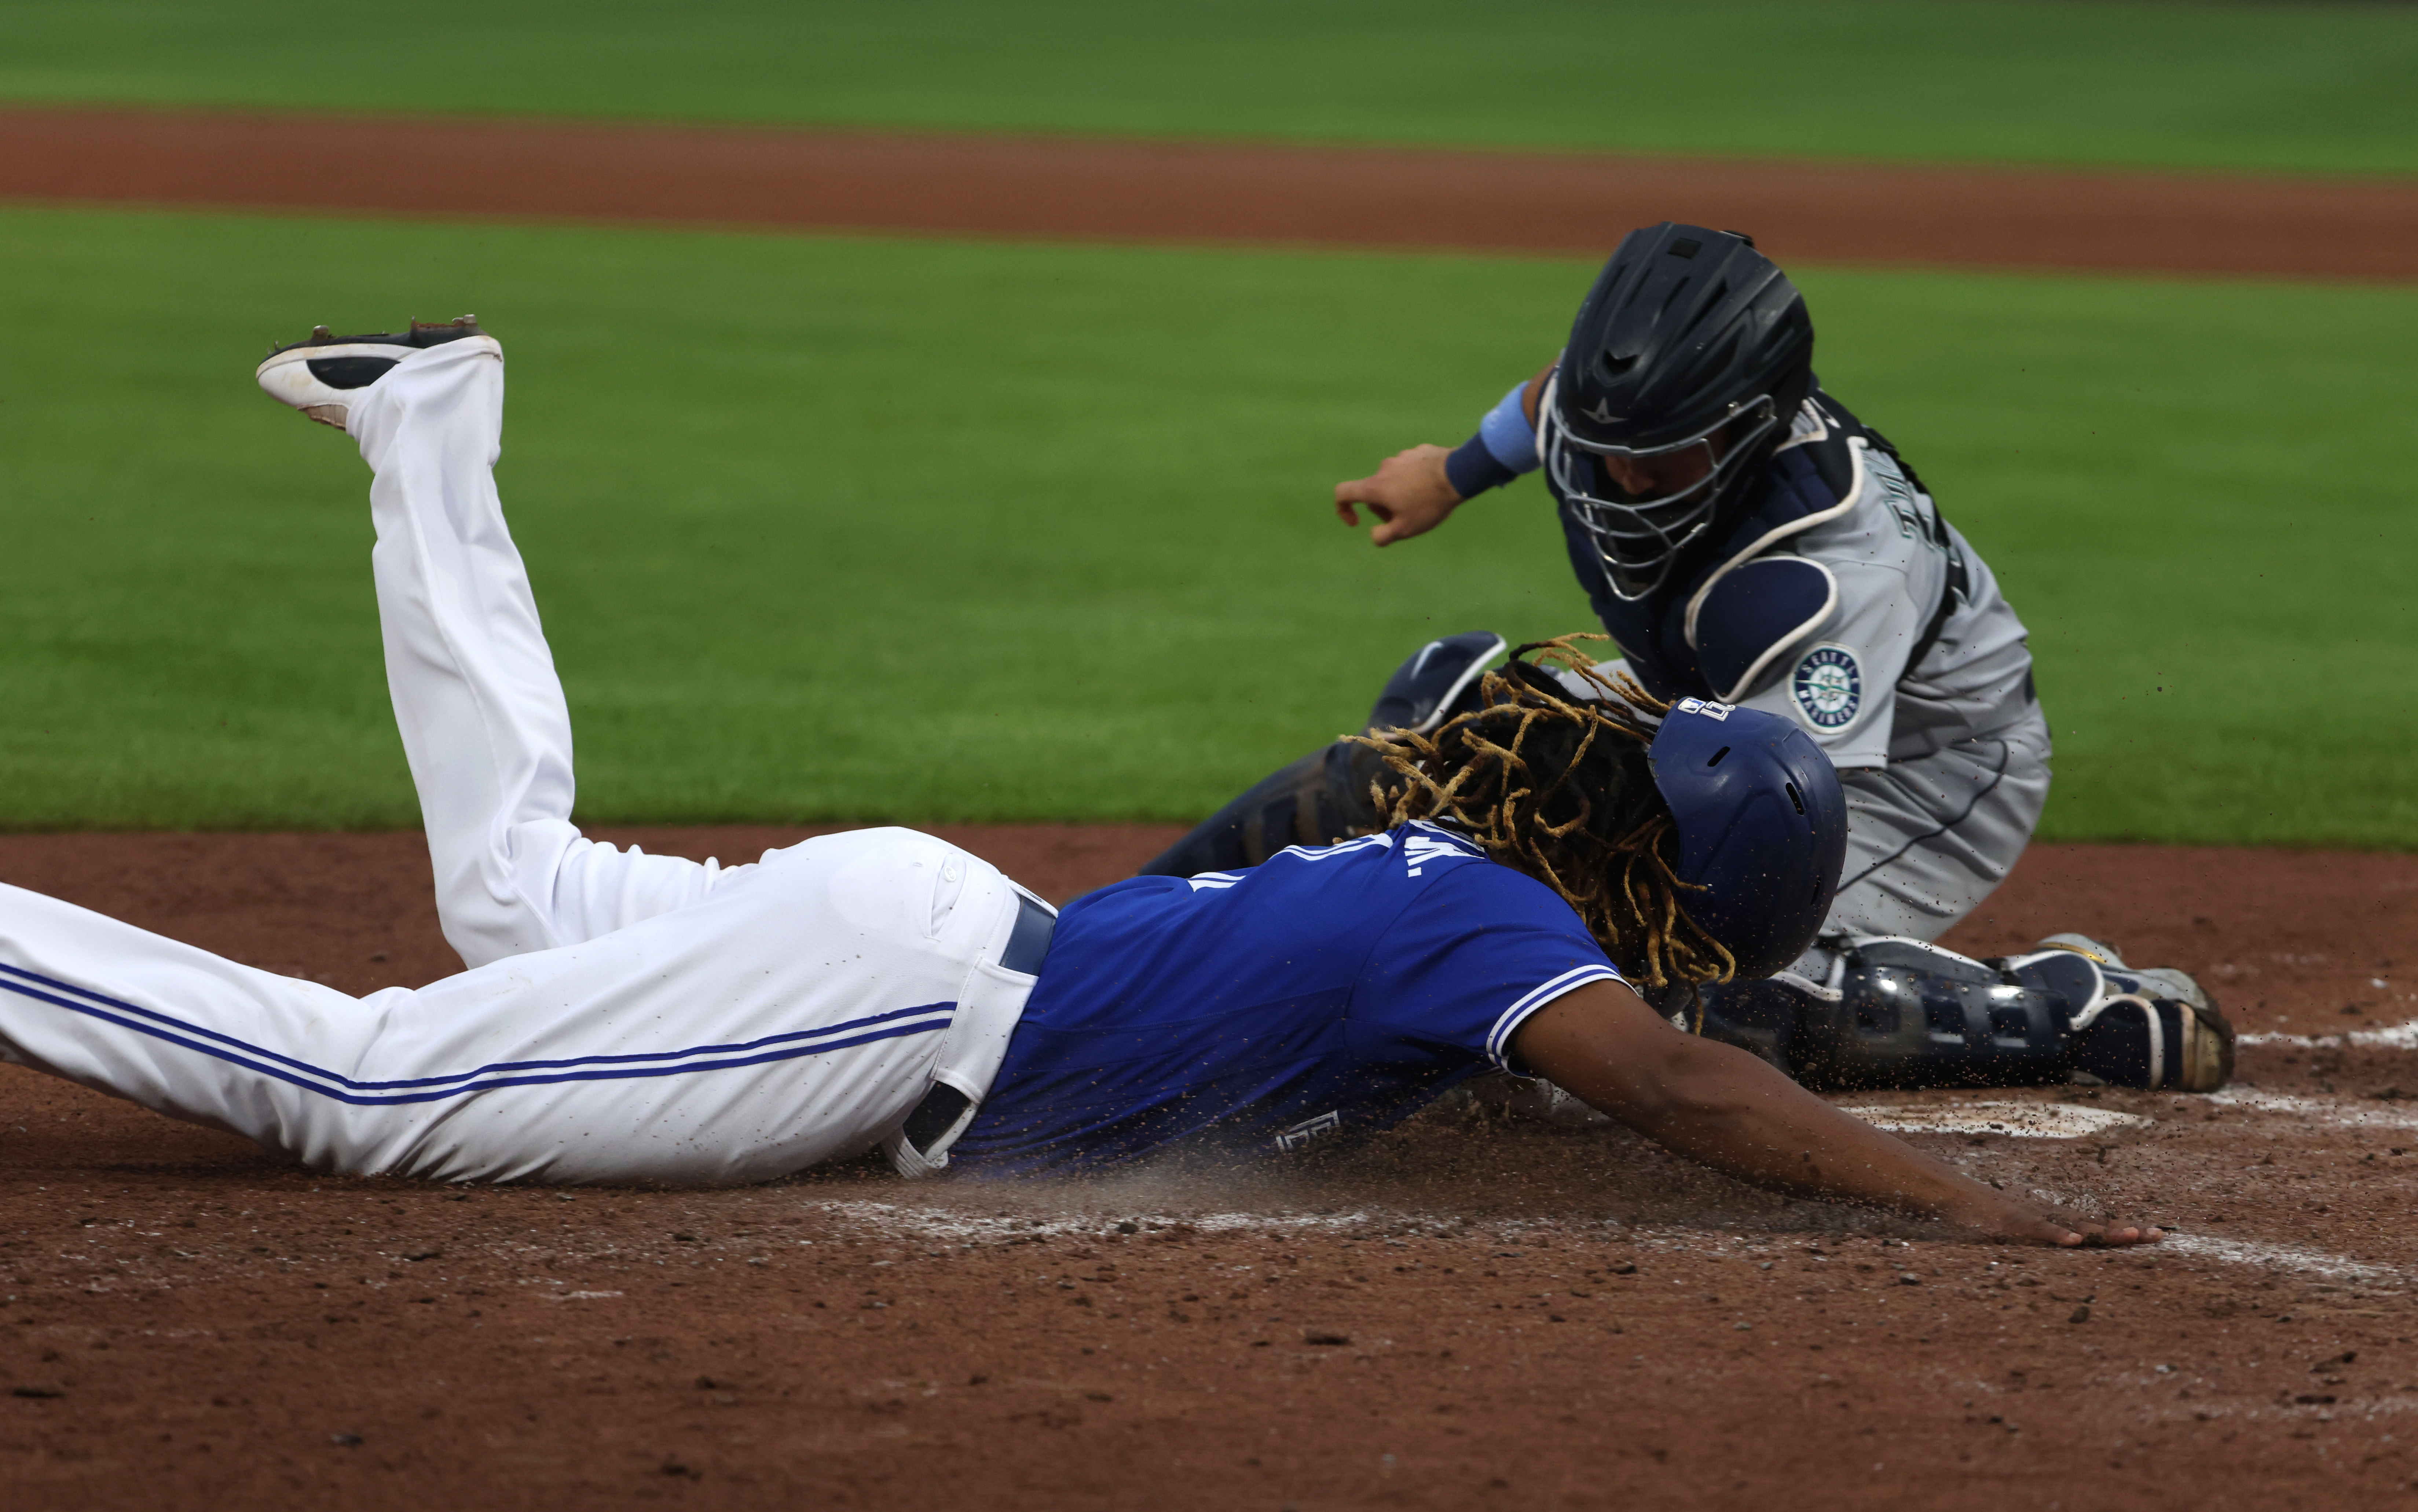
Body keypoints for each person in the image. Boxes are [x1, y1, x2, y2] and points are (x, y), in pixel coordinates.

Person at [0, 318, 2162, 1250]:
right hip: (903, 1012)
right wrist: (1975, 1211)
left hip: (929, 926)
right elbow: (1704, 1098)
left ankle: (430, 434)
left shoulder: (1477, 888)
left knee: (510, 884)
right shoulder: (1497, 936)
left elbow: (1641, 1038)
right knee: (364, 1094)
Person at [1142, 223, 2233, 1097]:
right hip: (1709, 704)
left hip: (1911, 768)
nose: (1621, 480)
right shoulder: (1615, 412)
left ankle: (2067, 1003)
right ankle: (1119, 938)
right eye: (1608, 448)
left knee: (1702, 995)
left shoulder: (1825, 577)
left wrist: (1577, 882)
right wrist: (1450, 471)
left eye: (1657, 461)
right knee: (1408, 771)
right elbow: (1554, 403)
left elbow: (1771, 829)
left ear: (1747, 427)